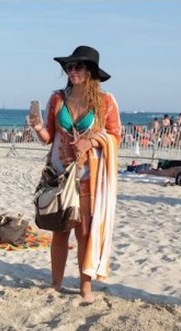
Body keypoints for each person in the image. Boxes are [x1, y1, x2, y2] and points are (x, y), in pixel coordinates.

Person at [29, 45, 121, 304]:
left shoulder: (105, 101)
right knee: (59, 230)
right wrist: (38, 127)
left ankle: (85, 287)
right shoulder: (58, 99)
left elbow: (115, 136)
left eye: (78, 66)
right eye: (69, 67)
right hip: (59, 175)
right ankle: (56, 283)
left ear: (90, 71)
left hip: (89, 176)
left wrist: (90, 142)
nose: (72, 71)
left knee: (84, 233)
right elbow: (49, 137)